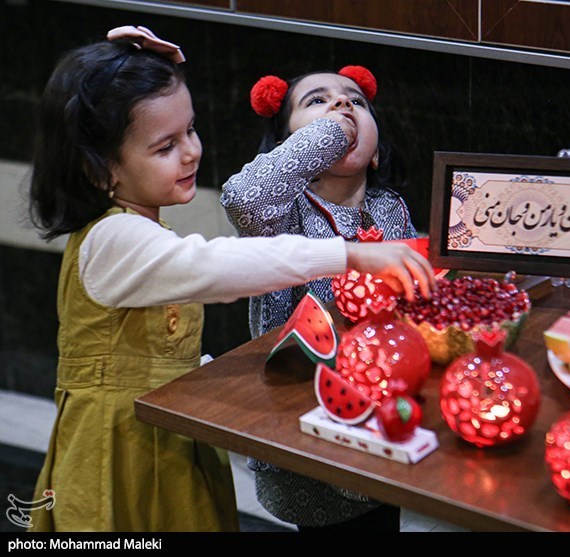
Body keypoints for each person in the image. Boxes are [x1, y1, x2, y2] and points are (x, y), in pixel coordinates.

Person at [26, 26, 433, 533]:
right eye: (165, 146)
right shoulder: (113, 241)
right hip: (123, 444)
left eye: (190, 130)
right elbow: (214, 265)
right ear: (99, 170)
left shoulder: (141, 225)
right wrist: (349, 253)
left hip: (170, 432)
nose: (192, 152)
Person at [220, 67, 419, 531]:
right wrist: (332, 133)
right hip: (305, 426)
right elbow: (244, 197)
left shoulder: (391, 208)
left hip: (381, 414)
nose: (342, 106)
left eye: (356, 102)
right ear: (289, 149)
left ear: (375, 155)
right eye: (317, 101)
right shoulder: (281, 214)